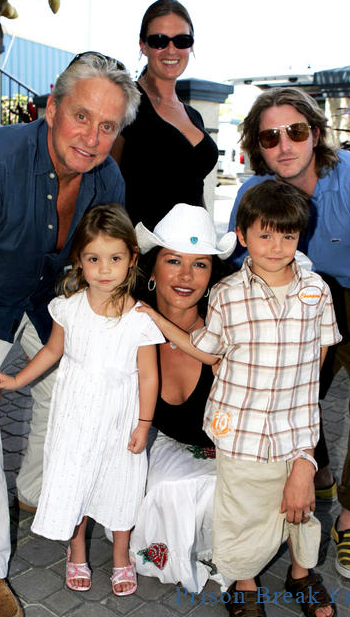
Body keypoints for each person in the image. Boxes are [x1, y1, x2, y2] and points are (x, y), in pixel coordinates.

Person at [0, 53, 141, 616]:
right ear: (51, 108)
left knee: (69, 392)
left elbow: (107, 267)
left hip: (51, 305)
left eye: (107, 126)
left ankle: (37, 495)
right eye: (81, 116)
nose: (92, 138)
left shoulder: (107, 178)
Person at [227, 87, 350, 581]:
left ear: (317, 134)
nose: (284, 145)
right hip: (305, 292)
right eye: (270, 136)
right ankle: (319, 473)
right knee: (290, 382)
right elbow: (242, 275)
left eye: (296, 131)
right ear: (256, 146)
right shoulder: (252, 195)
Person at [139, 181, 341, 617]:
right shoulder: (227, 297)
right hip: (242, 432)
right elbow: (207, 350)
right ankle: (242, 583)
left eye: (287, 236)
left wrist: (306, 455)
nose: (276, 246)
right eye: (264, 235)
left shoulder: (317, 291)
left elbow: (315, 373)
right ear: (244, 237)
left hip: (294, 426)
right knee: (242, 511)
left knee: (300, 509)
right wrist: (153, 317)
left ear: (300, 237)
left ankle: (301, 575)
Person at [0, 204, 164, 596]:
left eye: (115, 258)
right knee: (77, 482)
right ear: (80, 263)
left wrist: (144, 423)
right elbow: (51, 352)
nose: (105, 269)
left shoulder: (140, 319)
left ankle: (121, 557)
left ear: (132, 259)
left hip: (121, 418)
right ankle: (77, 549)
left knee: (122, 485)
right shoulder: (69, 309)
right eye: (94, 259)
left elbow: (150, 374)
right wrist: (15, 379)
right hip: (76, 416)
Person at [124, 203, 236, 593]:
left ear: (212, 274)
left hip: (231, 455)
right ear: (153, 269)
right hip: (167, 448)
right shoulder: (129, 324)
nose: (186, 276)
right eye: (173, 261)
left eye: (200, 264)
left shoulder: (229, 326)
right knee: (153, 483)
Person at [111, 0, 218, 229]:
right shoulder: (124, 103)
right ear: (143, 45)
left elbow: (195, 190)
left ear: (191, 45)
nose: (171, 50)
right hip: (145, 252)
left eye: (181, 40)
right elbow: (104, 188)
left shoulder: (193, 115)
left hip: (193, 249)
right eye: (159, 41)